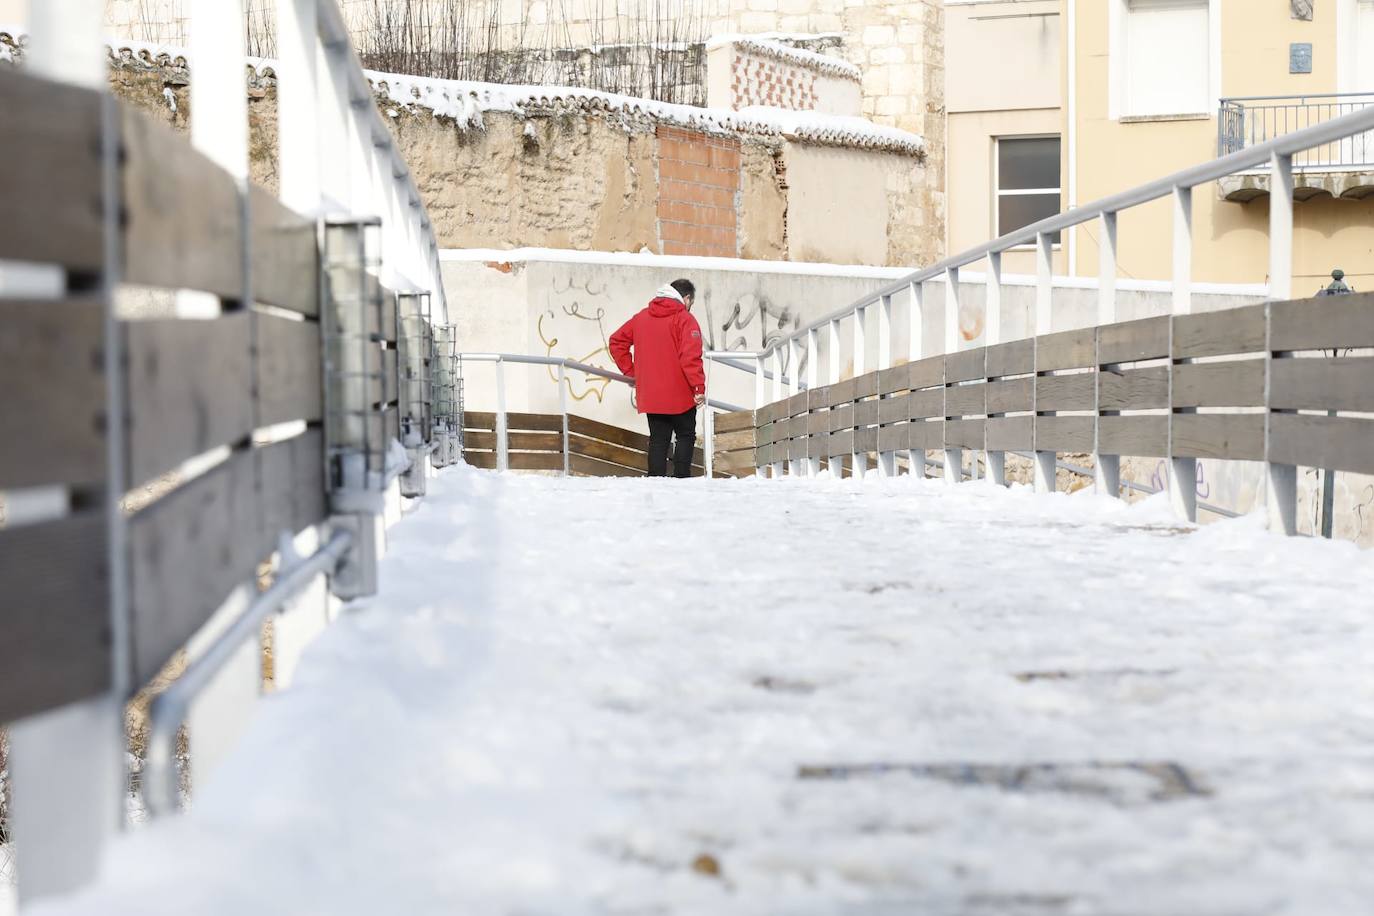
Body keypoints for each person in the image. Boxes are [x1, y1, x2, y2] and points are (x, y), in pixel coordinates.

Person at [608, 279, 706, 478]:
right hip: (681, 394)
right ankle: (681, 480)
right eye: (691, 303)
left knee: (658, 440)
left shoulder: (641, 317)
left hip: (651, 394)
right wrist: (698, 388)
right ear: (686, 298)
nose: (689, 307)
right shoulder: (685, 319)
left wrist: (632, 372)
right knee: (685, 436)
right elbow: (690, 358)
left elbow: (616, 341)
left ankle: (655, 480)